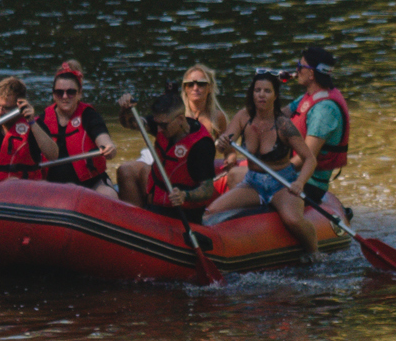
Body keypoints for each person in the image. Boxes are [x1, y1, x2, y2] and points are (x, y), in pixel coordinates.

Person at [205, 70, 318, 253]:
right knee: (211, 212)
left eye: (267, 91)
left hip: (282, 183)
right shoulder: (243, 117)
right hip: (253, 182)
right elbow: (223, 144)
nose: (261, 95)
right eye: (257, 90)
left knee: (293, 220)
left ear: (275, 95)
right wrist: (221, 143)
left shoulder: (284, 125)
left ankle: (315, 253)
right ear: (252, 93)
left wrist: (300, 182)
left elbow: (310, 160)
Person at [113, 89, 220, 213]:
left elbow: (207, 189)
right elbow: (130, 124)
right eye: (157, 124)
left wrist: (184, 195)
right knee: (126, 170)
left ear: (180, 119)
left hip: (181, 209)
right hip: (157, 196)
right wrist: (126, 111)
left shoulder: (201, 145)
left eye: (163, 125)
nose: (159, 129)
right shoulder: (162, 122)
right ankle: (133, 217)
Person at [26, 60, 117, 196]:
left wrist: (108, 148)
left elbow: (103, 139)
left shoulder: (89, 116)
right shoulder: (41, 120)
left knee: (108, 194)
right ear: (53, 95)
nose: (65, 97)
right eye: (59, 92)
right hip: (53, 187)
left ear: (79, 93)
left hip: (91, 184)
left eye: (71, 92)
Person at [288, 45, 350, 204]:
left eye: (300, 66)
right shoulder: (311, 96)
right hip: (291, 171)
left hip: (308, 184)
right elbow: (279, 115)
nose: (296, 70)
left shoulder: (324, 110)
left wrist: (273, 171)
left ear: (311, 74)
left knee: (238, 176)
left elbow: (305, 158)